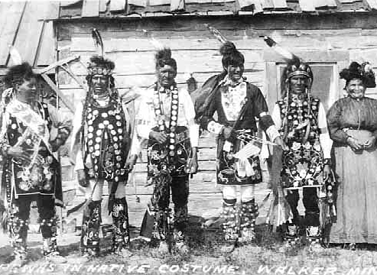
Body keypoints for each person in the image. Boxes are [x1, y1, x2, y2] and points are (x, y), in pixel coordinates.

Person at [197, 42, 285, 252]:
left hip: (249, 143)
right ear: (226, 67)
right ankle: (229, 234)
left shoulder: (253, 91)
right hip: (227, 144)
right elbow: (203, 117)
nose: (236, 70)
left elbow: (264, 116)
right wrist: (220, 129)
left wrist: (275, 135)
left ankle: (247, 233)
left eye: (240, 65)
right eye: (232, 66)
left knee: (247, 191)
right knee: (229, 189)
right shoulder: (218, 91)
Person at [0, 62, 72, 266]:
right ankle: (20, 254)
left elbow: (67, 122)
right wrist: (9, 150)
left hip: (45, 167)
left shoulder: (45, 109)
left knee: (47, 209)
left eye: (35, 84)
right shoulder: (8, 111)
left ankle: (51, 250)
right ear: (18, 85)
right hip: (20, 169)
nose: (34, 88)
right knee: (19, 211)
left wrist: (57, 142)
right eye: (30, 85)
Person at [327, 61, 377, 248]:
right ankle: (348, 236)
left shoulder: (375, 105)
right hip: (346, 151)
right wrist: (347, 139)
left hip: (371, 152)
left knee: (374, 190)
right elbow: (332, 127)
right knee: (350, 190)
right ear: (346, 88)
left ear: (366, 87)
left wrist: (375, 138)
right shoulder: (339, 105)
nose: (357, 88)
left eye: (360, 85)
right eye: (352, 85)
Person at [71, 55, 138, 257]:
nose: (99, 82)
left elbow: (131, 131)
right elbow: (77, 137)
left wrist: (132, 154)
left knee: (119, 200)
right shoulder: (83, 106)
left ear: (110, 80)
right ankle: (90, 246)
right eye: (95, 79)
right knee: (93, 201)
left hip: (117, 161)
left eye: (103, 78)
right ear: (89, 81)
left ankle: (121, 244)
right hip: (93, 163)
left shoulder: (120, 104)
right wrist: (80, 167)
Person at [135, 48, 199, 254]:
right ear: (156, 72)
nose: (167, 76)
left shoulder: (182, 95)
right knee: (161, 196)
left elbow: (192, 124)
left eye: (171, 72)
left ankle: (180, 238)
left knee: (181, 196)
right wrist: (153, 134)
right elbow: (139, 126)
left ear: (175, 73)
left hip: (181, 151)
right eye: (163, 72)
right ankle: (162, 239)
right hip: (158, 153)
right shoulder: (147, 95)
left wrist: (195, 154)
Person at [271, 60, 333, 250]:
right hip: (289, 158)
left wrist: (327, 160)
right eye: (295, 79)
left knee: (311, 197)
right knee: (290, 198)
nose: (298, 83)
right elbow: (273, 133)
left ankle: (314, 238)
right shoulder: (280, 106)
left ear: (308, 82)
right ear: (288, 82)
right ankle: (292, 237)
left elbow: (324, 133)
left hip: (312, 158)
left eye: (302, 79)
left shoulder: (315, 105)